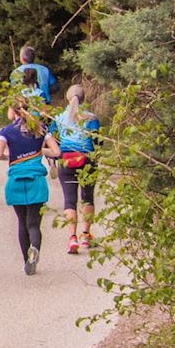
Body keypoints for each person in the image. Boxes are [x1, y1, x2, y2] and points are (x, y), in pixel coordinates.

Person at [0, 103, 60, 275]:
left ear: (13, 111)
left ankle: (26, 261)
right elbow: (56, 152)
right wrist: (40, 151)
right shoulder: (41, 129)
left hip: (15, 180)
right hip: (36, 181)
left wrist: (12, 156)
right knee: (33, 223)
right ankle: (35, 250)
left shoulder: (5, 131)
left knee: (21, 222)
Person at [51, 85, 101, 254]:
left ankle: (72, 237)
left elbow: (52, 139)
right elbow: (97, 141)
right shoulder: (91, 117)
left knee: (69, 200)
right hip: (86, 159)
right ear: (84, 98)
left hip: (66, 161)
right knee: (87, 197)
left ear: (67, 97)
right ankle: (86, 235)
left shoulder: (58, 117)